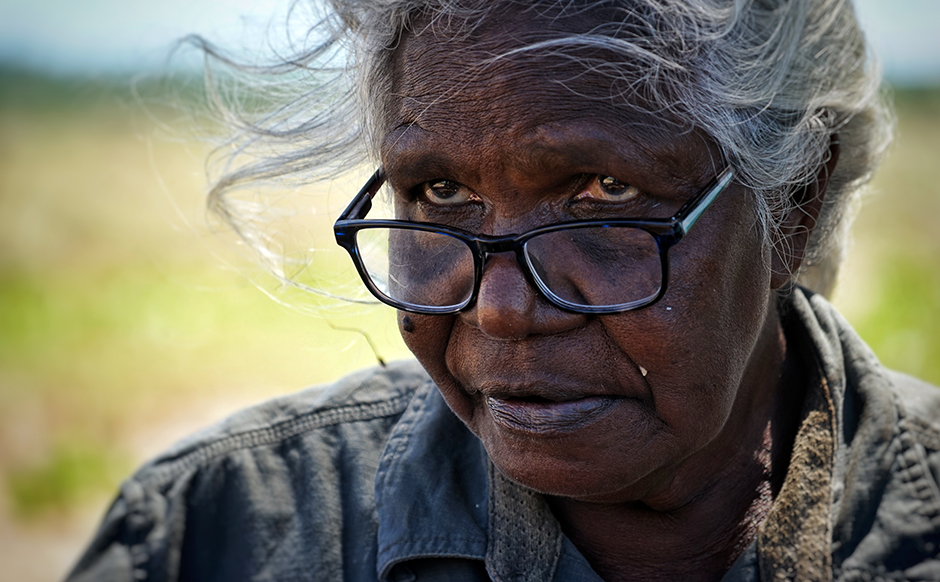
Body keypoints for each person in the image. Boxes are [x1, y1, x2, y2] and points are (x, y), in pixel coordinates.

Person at [67, 1, 940, 581]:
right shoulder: (213, 534)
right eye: (441, 194)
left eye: (605, 193)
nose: (501, 308)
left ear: (791, 206)